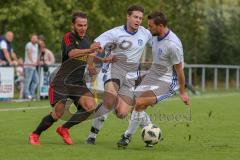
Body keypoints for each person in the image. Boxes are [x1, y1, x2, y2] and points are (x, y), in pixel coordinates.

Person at [28, 11, 113, 145]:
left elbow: (88, 56)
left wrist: (102, 59)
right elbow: (73, 53)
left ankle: (64, 129)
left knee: (91, 106)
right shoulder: (68, 37)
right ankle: (35, 134)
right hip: (62, 82)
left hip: (78, 82)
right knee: (58, 114)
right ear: (73, 25)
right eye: (80, 25)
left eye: (85, 25)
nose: (83, 28)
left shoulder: (86, 41)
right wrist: (90, 51)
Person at [116, 11, 190, 148]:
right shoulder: (155, 36)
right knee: (137, 105)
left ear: (160, 26)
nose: (149, 29)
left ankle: (126, 137)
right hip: (152, 77)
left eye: (151, 26)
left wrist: (183, 92)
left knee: (139, 102)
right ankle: (151, 133)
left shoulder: (172, 45)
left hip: (167, 81)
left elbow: (179, 70)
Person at [85, 5, 154, 145]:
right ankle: (92, 136)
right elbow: (95, 45)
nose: (138, 20)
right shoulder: (114, 33)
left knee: (122, 113)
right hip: (114, 69)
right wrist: (91, 64)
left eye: (140, 18)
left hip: (131, 76)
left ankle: (146, 124)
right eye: (135, 17)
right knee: (109, 100)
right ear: (128, 17)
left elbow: (160, 43)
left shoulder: (146, 33)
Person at [23, 34, 39, 99]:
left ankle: (32, 94)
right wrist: (32, 62)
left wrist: (37, 61)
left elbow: (36, 55)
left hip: (34, 66)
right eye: (33, 38)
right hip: (29, 65)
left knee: (36, 80)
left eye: (36, 38)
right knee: (28, 80)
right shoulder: (29, 44)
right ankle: (26, 94)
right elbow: (29, 53)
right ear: (31, 39)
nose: (35, 39)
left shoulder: (36, 45)